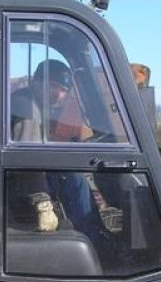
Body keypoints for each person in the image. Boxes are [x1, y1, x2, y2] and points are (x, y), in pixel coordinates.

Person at [8, 59, 106, 245]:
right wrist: (42, 202)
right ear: (37, 82)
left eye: (63, 90)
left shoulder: (30, 102)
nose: (59, 95)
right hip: (18, 186)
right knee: (73, 177)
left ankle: (91, 233)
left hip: (17, 182)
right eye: (54, 86)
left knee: (70, 173)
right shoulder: (26, 108)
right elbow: (26, 160)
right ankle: (92, 240)